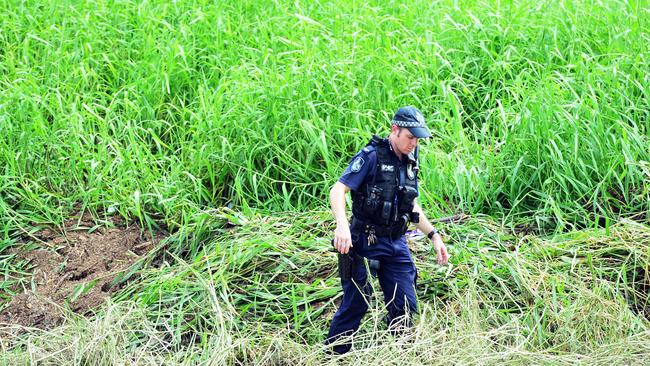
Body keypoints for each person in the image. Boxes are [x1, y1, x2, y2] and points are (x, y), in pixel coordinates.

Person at [325, 106, 449, 354]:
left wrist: (434, 235)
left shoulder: (410, 161)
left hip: (396, 243)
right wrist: (341, 226)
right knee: (357, 302)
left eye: (417, 138)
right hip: (363, 241)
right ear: (395, 130)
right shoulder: (371, 157)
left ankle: (399, 354)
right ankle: (333, 354)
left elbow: (411, 204)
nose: (414, 143)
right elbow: (338, 190)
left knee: (405, 304)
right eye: (410, 137)